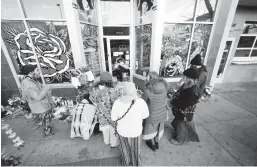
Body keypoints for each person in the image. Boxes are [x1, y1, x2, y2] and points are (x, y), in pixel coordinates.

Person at [111, 82, 149, 166]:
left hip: (122, 130)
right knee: (136, 149)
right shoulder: (141, 102)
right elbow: (145, 115)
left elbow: (113, 118)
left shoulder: (117, 102)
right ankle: (136, 163)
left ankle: (126, 162)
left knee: (124, 148)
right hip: (136, 131)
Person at [20, 65, 55, 137]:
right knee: (45, 121)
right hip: (40, 106)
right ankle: (47, 132)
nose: (39, 72)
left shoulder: (31, 80)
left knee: (46, 119)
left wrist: (45, 90)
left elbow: (39, 91)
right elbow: (37, 97)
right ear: (31, 72)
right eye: (37, 70)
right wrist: (46, 89)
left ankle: (47, 129)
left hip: (41, 105)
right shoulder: (28, 84)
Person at [170, 68, 201, 145]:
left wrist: (173, 102)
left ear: (190, 79)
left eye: (185, 77)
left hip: (183, 111)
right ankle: (182, 133)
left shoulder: (190, 91)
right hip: (187, 111)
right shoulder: (193, 86)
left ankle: (179, 140)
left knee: (181, 124)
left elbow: (182, 102)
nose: (183, 79)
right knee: (181, 122)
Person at [142, 72, 168, 151]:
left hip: (152, 115)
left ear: (150, 78)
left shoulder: (147, 90)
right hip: (162, 113)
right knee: (158, 128)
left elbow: (143, 102)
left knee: (151, 130)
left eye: (147, 77)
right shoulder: (164, 87)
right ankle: (157, 143)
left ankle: (153, 145)